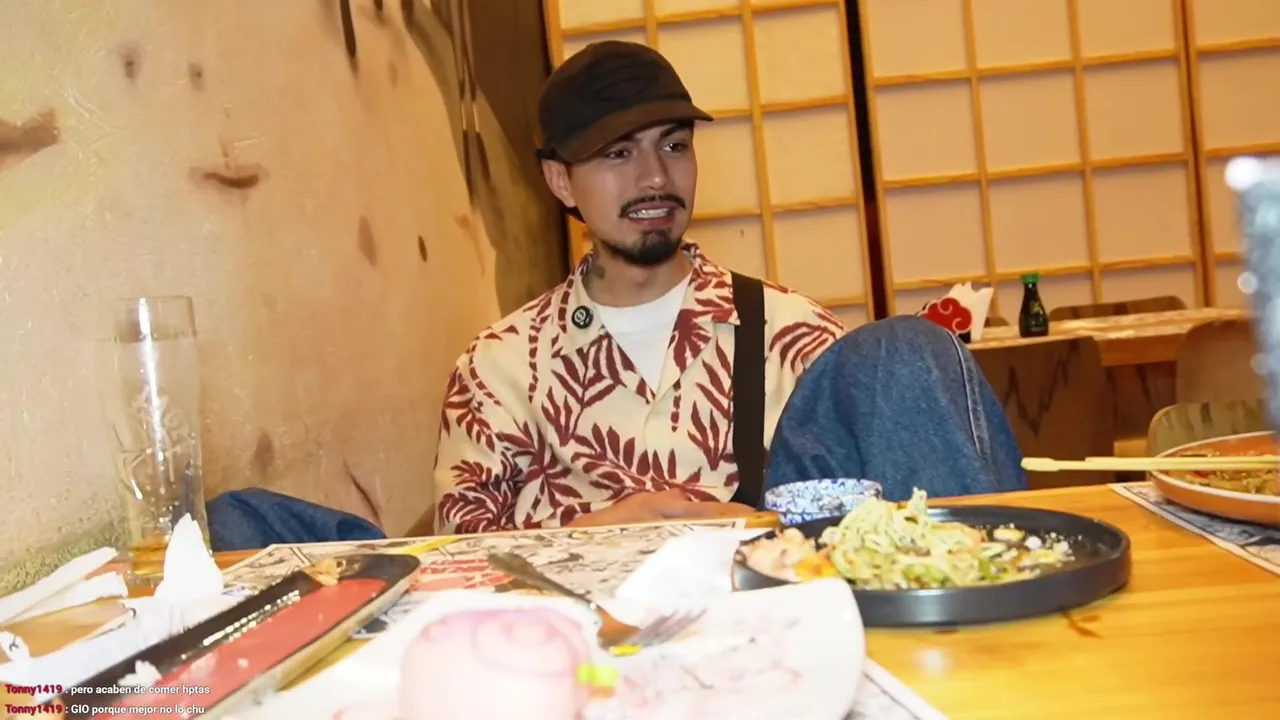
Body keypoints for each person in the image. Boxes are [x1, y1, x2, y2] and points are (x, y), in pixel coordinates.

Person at [431, 40, 1027, 536]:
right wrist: (598, 531)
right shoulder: (499, 369)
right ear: (560, 180)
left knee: (902, 350)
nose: (655, 177)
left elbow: (878, 505)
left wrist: (759, 526)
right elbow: (452, 566)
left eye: (674, 145)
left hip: (780, 602)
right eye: (618, 154)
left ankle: (988, 607)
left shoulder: (794, 333)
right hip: (596, 632)